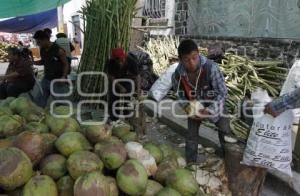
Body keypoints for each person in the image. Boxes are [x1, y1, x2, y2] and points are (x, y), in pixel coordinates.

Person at [171, 39, 237, 165]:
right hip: (194, 105)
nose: (191, 63)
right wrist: (188, 108)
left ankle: (228, 162)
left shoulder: (211, 68)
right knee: (191, 136)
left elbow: (222, 93)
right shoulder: (177, 75)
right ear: (180, 59)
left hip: (214, 103)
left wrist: (209, 110)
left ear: (198, 54)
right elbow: (180, 95)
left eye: (194, 58)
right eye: (186, 60)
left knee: (225, 133)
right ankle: (191, 164)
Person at [33, 30, 69, 108]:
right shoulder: (42, 49)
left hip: (57, 81)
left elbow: (66, 64)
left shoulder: (58, 50)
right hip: (46, 79)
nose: (38, 44)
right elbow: (43, 61)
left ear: (45, 39)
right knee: (39, 101)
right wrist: (33, 62)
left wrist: (63, 77)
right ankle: (38, 115)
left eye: (39, 42)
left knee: (61, 105)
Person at [105, 48, 141, 121]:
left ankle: (127, 118)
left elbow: (137, 76)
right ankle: (114, 119)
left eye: (123, 59)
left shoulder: (131, 61)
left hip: (127, 80)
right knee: (114, 99)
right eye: (119, 60)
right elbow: (110, 76)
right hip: (115, 81)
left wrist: (138, 89)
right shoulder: (111, 62)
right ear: (114, 59)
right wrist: (120, 87)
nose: (122, 61)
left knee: (127, 100)